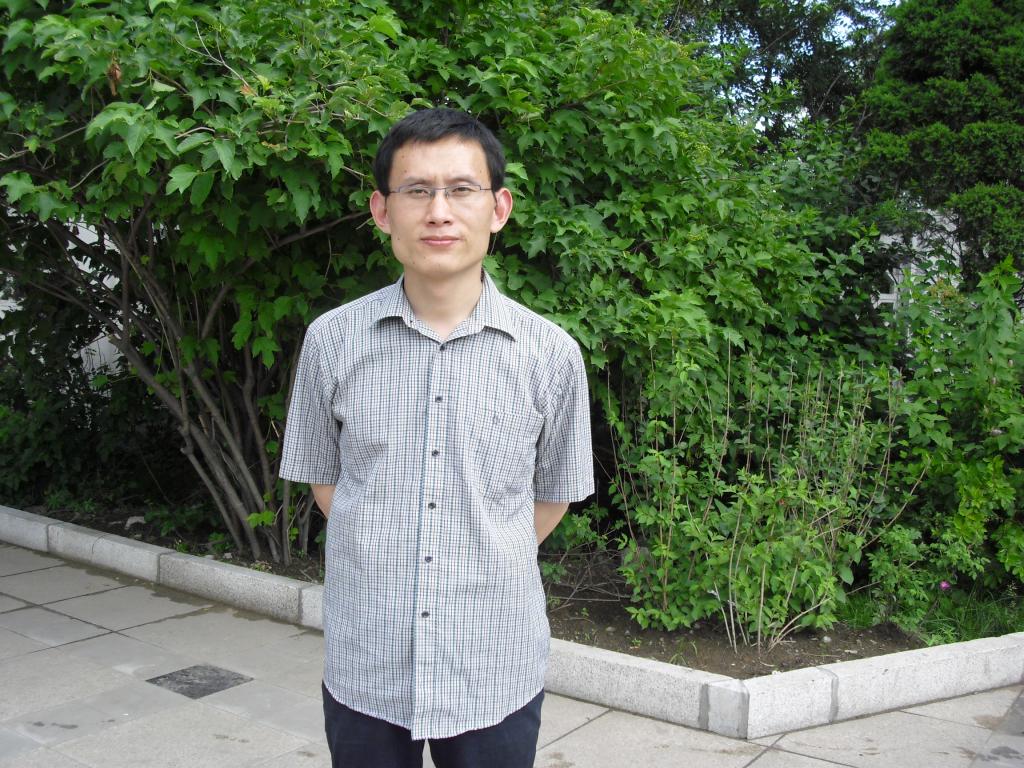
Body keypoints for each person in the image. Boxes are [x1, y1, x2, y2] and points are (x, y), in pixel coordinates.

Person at [279, 107, 594, 768]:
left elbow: (553, 495)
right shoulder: (332, 341)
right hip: (368, 659)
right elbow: (326, 481)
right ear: (382, 210)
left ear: (498, 208)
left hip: (493, 663)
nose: (439, 212)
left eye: (461, 189)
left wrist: (478, 550)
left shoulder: (551, 354)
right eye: (417, 190)